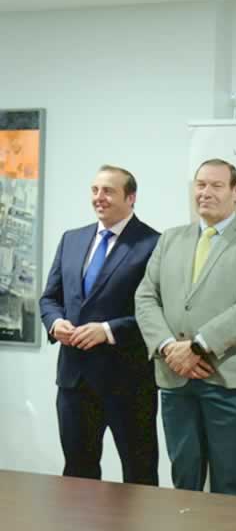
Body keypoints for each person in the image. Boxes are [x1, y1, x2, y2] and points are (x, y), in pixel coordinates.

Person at [135, 158, 236, 496]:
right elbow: (145, 297)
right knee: (183, 475)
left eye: (216, 185)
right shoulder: (171, 239)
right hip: (174, 376)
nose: (205, 192)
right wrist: (169, 347)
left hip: (228, 378)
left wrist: (198, 346)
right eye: (200, 185)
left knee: (228, 479)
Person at [38, 164, 161, 485]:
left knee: (140, 474)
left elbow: (159, 313)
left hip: (129, 381)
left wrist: (108, 331)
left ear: (131, 197)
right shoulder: (72, 240)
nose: (98, 197)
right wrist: (55, 323)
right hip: (75, 380)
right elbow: (49, 298)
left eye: (108, 191)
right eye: (94, 190)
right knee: (78, 473)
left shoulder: (153, 244)